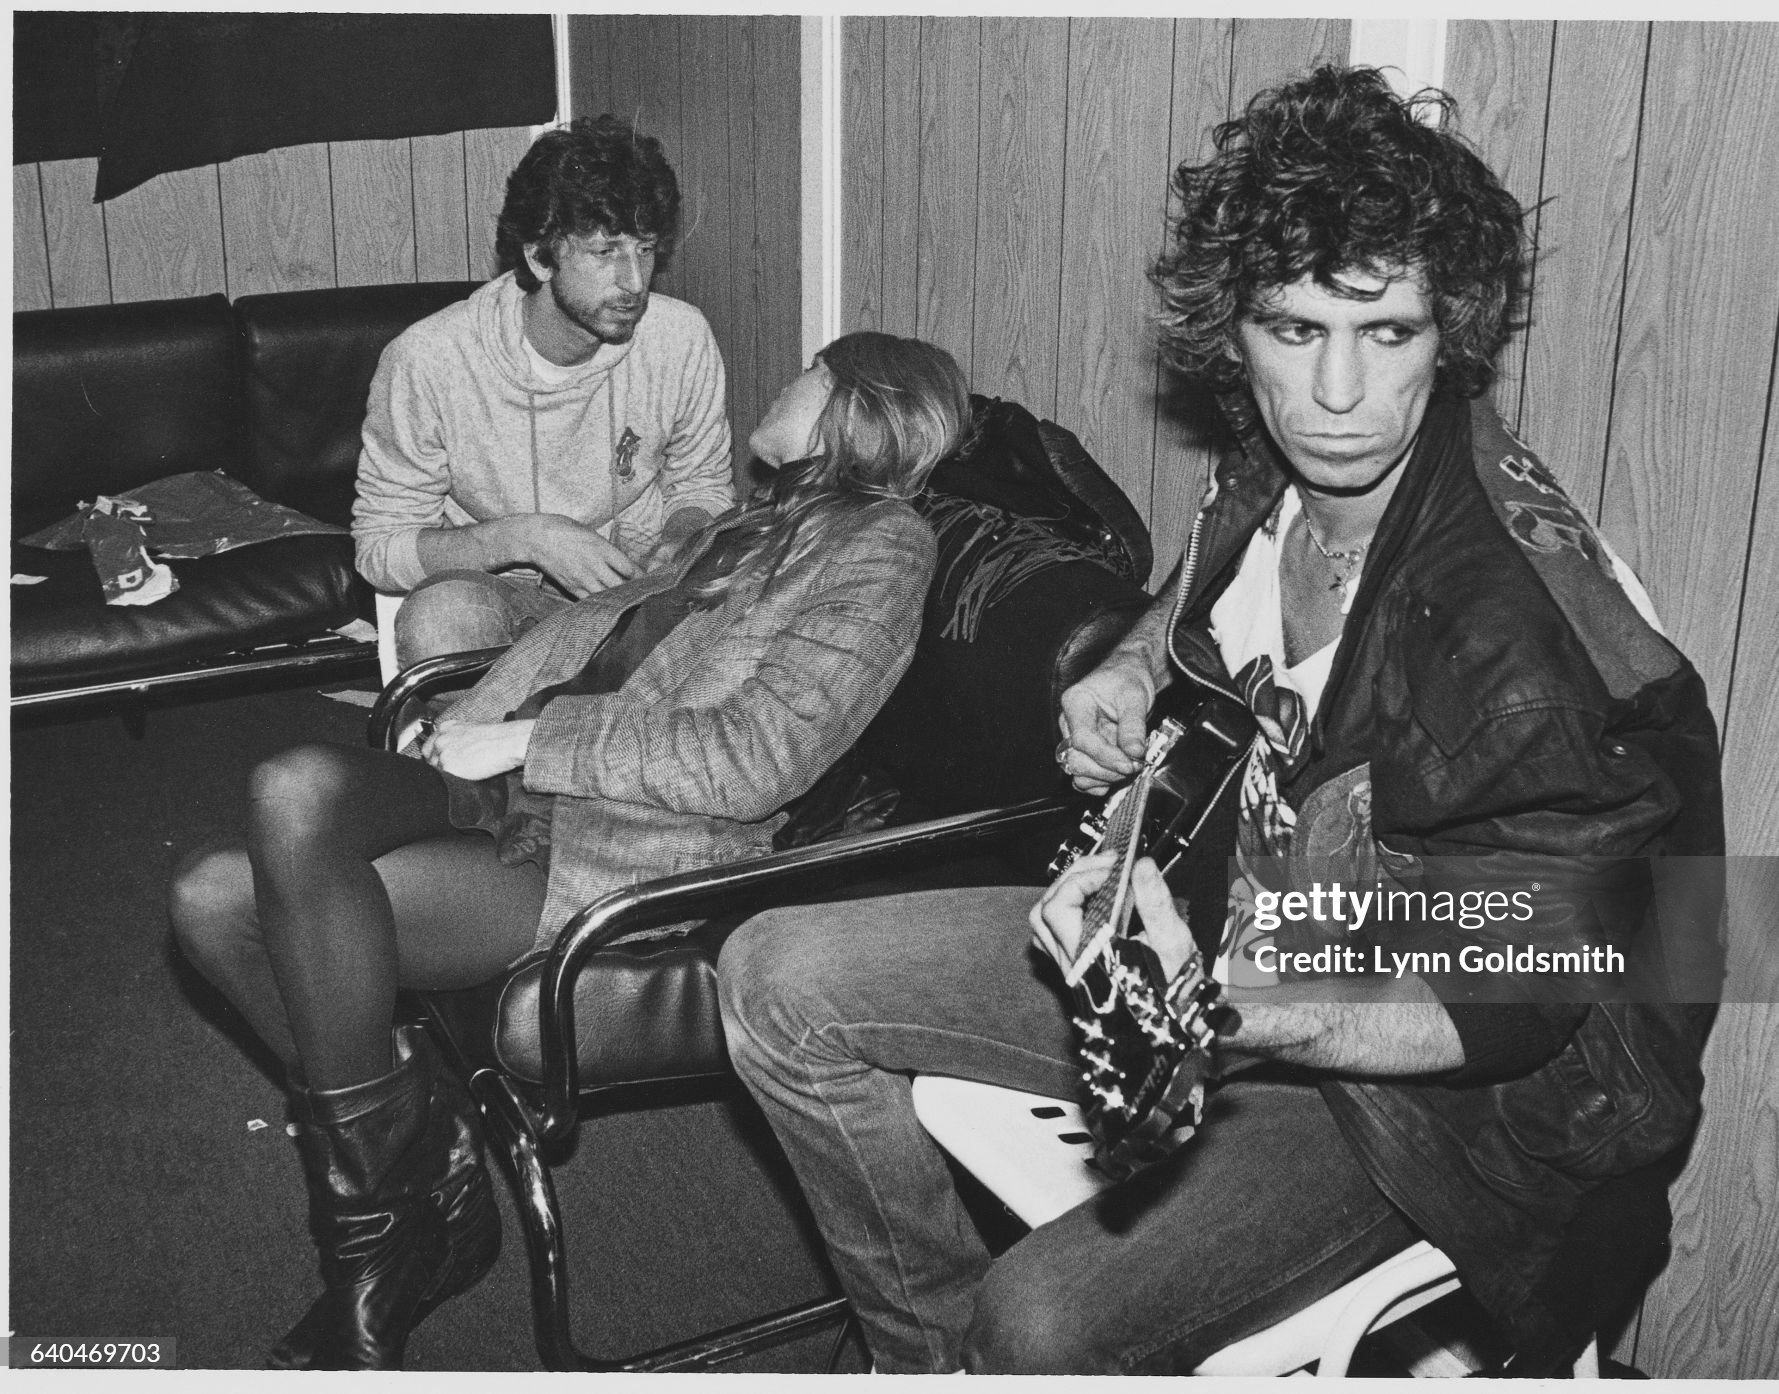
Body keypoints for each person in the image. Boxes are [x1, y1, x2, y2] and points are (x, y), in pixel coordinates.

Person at [717, 65, 1725, 1374]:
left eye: (1390, 334)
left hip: (1434, 1091)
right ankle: (927, 1354)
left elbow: (1523, 992)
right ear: (1233, 333)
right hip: (1240, 928)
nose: (1341, 394)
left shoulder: (1509, 646)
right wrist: (1136, 666)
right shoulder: (1288, 449)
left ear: (1448, 331)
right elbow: (1219, 553)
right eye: (1293, 332)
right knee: (774, 979)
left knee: (1042, 1319)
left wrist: (1231, 1008)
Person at [171, 332, 968, 1369]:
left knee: (224, 882)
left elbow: (759, 757)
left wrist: (524, 738)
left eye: (807, 370)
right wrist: (476, 711)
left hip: (617, 839)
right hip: (512, 779)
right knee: (246, 851)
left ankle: (380, 1239)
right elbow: (598, 640)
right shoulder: (752, 522)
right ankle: (431, 1162)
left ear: (856, 404)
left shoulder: (883, 546)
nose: (786, 378)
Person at [353, 114, 736, 671]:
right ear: (539, 256)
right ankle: (478, 753)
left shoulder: (681, 336)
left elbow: (702, 485)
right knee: (443, 616)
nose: (635, 282)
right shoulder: (429, 359)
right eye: (605, 253)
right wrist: (527, 538)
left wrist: (674, 545)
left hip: (634, 593)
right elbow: (379, 547)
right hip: (498, 594)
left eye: (646, 249)